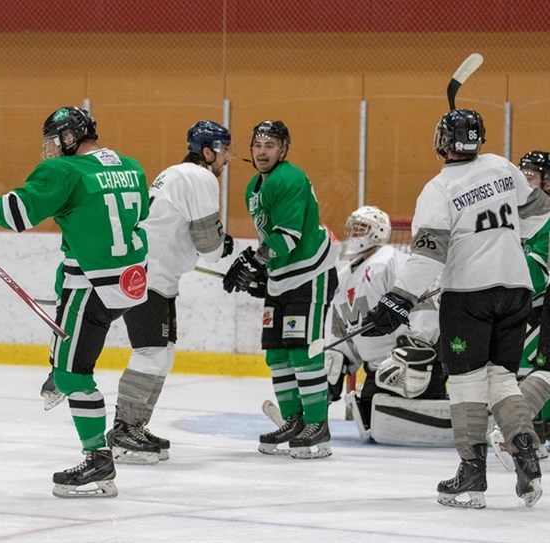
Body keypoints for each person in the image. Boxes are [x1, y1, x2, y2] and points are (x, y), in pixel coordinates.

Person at [0, 106, 149, 498]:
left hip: (93, 285)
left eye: (54, 140)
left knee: (74, 375)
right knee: (64, 288)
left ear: (69, 137)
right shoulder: (131, 166)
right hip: (131, 282)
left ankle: (98, 458)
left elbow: (18, 212)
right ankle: (59, 364)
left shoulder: (64, 171)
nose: (50, 149)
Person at [360, 109, 547, 509]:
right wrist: (506, 240)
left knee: (466, 383)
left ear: (442, 142)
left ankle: (472, 475)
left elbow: (429, 256)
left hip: (469, 293)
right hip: (516, 288)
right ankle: (526, 453)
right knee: (502, 379)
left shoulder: (438, 188)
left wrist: (398, 298)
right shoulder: (501, 166)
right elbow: (539, 213)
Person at [108, 120, 235, 464]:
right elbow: (209, 247)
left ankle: (135, 425)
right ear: (207, 152)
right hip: (147, 276)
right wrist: (222, 245)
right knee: (150, 352)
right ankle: (123, 431)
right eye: (224, 151)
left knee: (162, 353)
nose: (227, 159)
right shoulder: (200, 177)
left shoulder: (175, 173)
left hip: (157, 278)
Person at [222, 120, 338, 459]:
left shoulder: (290, 178)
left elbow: (287, 237)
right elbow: (270, 238)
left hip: (309, 273)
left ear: (283, 150)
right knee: (277, 353)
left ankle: (317, 425)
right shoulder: (254, 186)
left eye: (270, 145)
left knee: (303, 352)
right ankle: (293, 420)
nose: (262, 152)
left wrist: (254, 262)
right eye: (258, 145)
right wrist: (260, 268)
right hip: (282, 277)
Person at [325, 205, 445, 439]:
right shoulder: (344, 276)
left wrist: (417, 348)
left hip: (412, 366)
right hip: (377, 371)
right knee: (371, 417)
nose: (354, 234)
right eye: (353, 229)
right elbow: (343, 327)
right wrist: (338, 362)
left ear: (378, 231)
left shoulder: (392, 261)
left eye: (361, 228)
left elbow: (421, 303)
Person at [489, 150, 550, 467]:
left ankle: (523, 431)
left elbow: (536, 272)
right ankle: (519, 432)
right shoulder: (514, 214)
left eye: (532, 176)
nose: (525, 183)